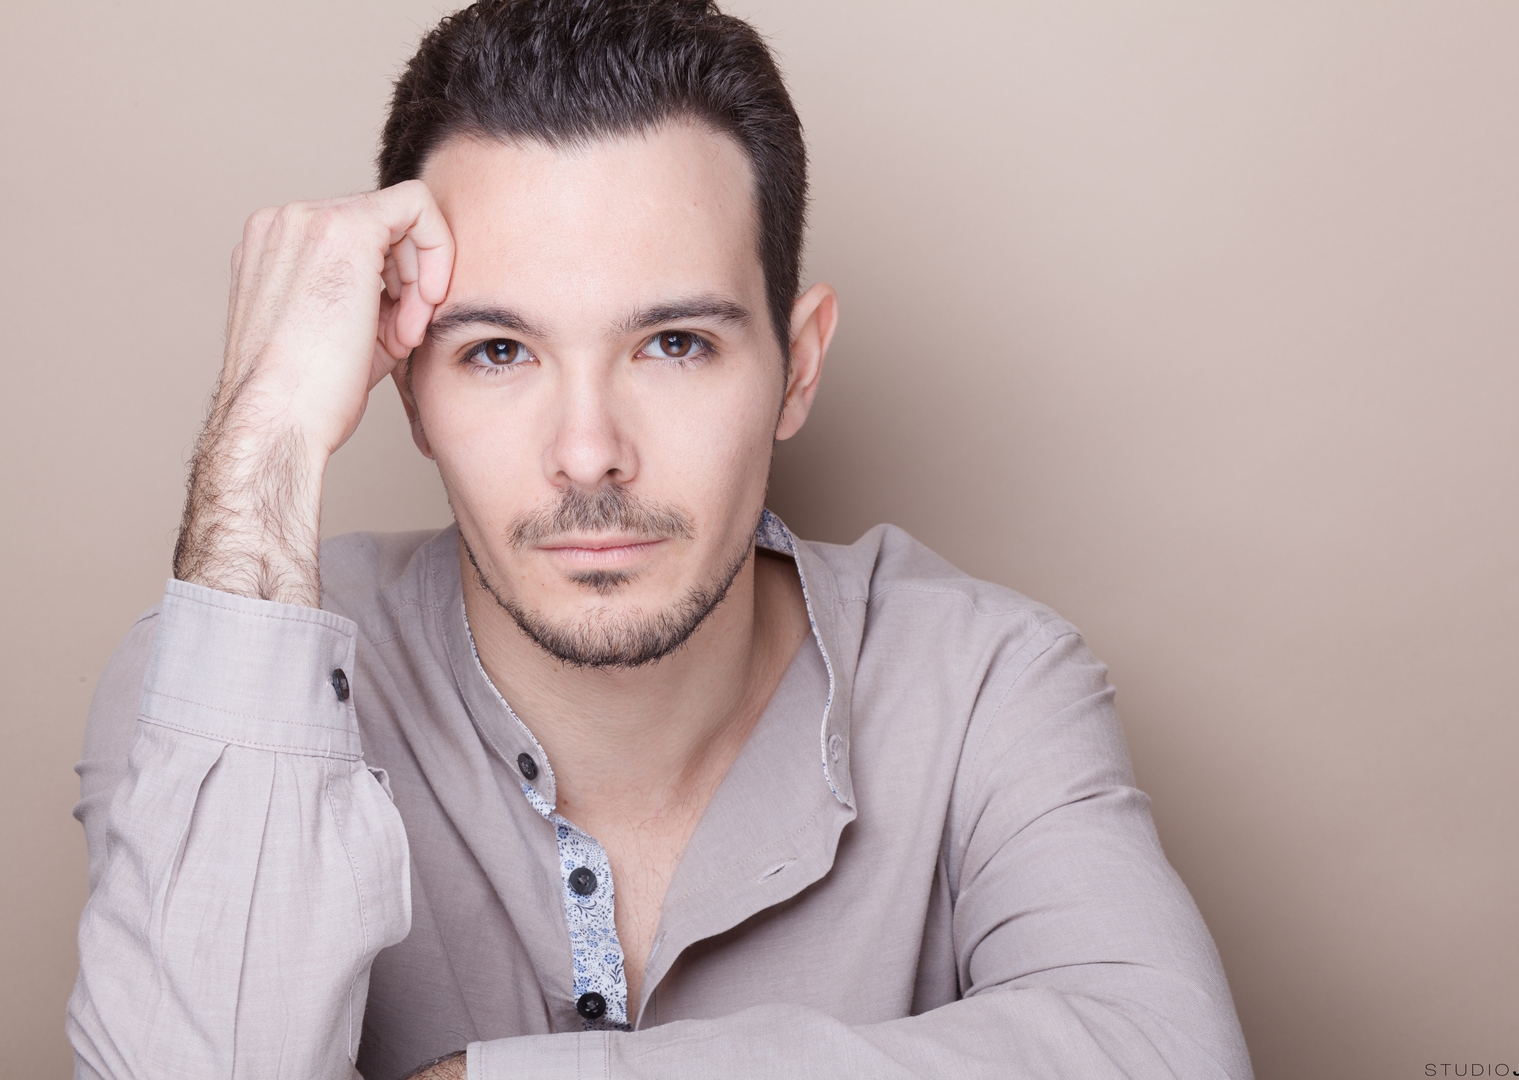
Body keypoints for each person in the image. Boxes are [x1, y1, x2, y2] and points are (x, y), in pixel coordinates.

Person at [67, 1, 1252, 1077]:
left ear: (797, 369)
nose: (588, 453)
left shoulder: (986, 684)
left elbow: (1166, 1055)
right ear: (411, 390)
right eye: (498, 352)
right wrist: (264, 433)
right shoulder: (229, 676)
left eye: (675, 344)